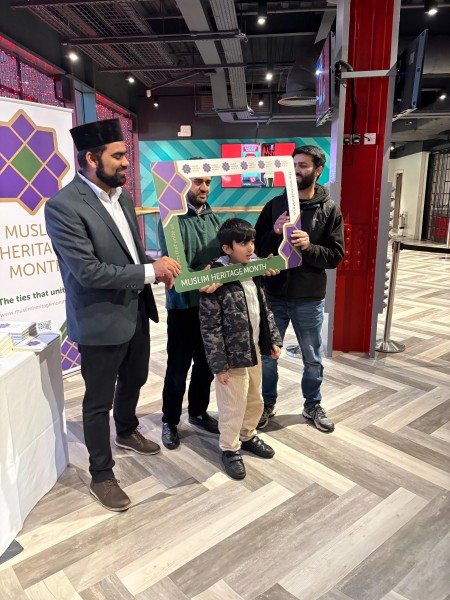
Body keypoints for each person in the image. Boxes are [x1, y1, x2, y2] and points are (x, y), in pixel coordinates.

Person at [45, 118, 181, 511]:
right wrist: (150, 271)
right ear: (91, 159)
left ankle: (126, 430)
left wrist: (158, 266)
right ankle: (101, 474)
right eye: (118, 155)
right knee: (97, 400)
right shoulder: (63, 207)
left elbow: (130, 252)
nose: (126, 162)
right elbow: (87, 272)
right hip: (99, 318)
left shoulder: (121, 198)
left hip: (135, 309)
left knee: (136, 377)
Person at [254, 145, 344, 432]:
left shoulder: (329, 210)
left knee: (312, 358)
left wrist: (309, 247)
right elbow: (256, 249)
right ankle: (266, 404)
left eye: (303, 166)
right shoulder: (274, 206)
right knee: (268, 356)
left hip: (309, 298)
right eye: (293, 165)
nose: (296, 171)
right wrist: (274, 232)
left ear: (318, 170)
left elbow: (335, 256)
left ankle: (312, 404)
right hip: (274, 295)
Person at [199, 218, 282, 480]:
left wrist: (273, 339)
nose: (250, 247)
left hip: (254, 347)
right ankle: (230, 448)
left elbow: (263, 308)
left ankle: (248, 435)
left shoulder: (254, 270)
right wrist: (219, 365)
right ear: (227, 248)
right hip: (231, 356)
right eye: (243, 243)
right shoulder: (215, 277)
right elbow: (210, 327)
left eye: (252, 242)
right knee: (232, 404)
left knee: (255, 397)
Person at [157, 166, 222, 450]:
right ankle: (170, 421)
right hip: (182, 306)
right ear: (184, 184)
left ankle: (197, 412)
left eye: (207, 182)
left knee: (206, 365)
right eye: (198, 181)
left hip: (211, 305)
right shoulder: (170, 220)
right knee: (178, 367)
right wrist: (202, 274)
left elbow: (225, 256)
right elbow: (173, 265)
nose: (204, 187)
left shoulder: (215, 219)